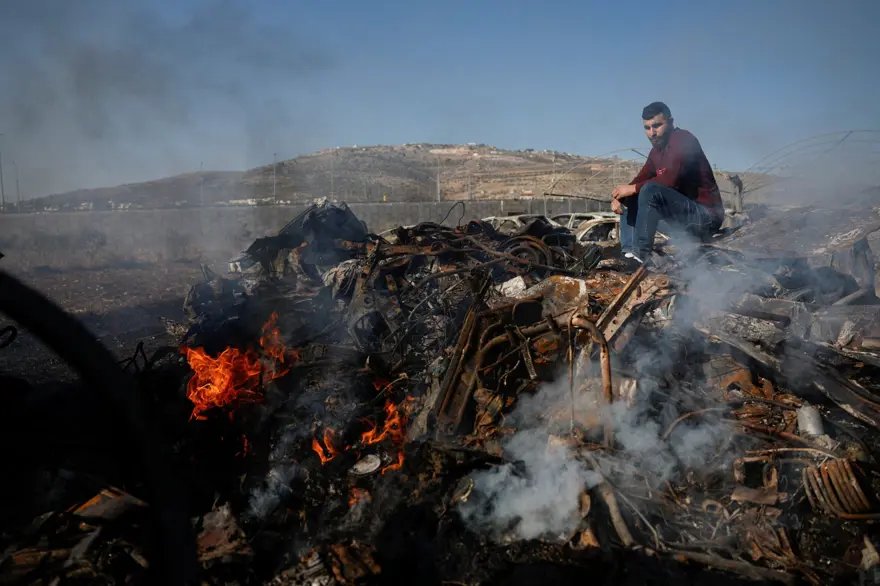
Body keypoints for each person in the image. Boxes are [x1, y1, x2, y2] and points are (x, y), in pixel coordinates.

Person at [611, 102, 724, 265]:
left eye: (657, 126)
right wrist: (619, 196)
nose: (652, 133)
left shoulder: (683, 139)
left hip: (706, 218)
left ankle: (641, 254)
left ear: (670, 122)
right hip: (682, 220)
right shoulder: (656, 152)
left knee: (649, 189)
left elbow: (669, 179)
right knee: (632, 195)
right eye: (647, 128)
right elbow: (640, 178)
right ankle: (629, 255)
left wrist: (632, 188)